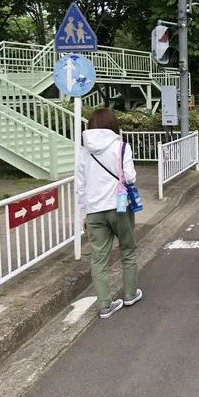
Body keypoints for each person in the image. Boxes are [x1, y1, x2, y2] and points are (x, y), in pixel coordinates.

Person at [75, 108, 142, 319]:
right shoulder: (121, 147)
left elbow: (80, 186)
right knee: (127, 250)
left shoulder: (84, 152)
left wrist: (83, 214)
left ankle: (105, 305)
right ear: (113, 125)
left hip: (94, 211)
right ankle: (130, 293)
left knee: (98, 259)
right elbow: (130, 177)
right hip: (120, 207)